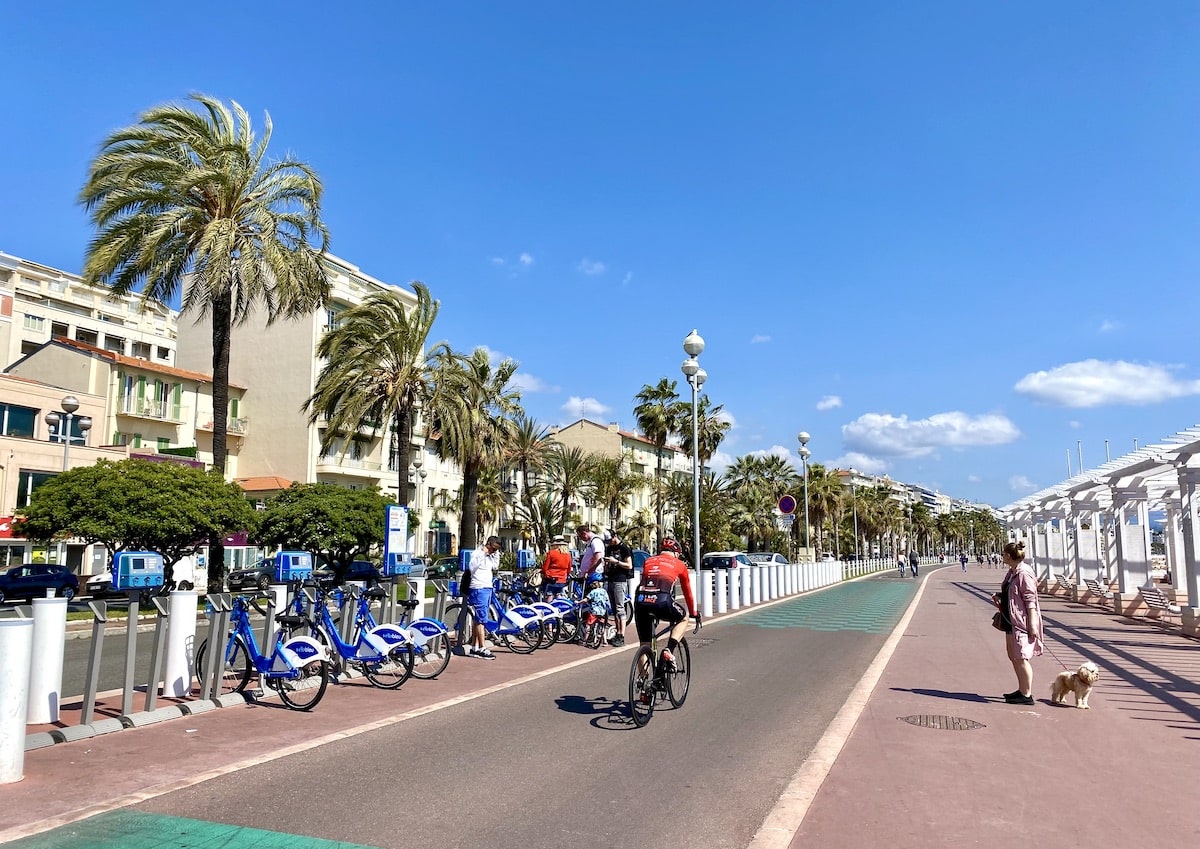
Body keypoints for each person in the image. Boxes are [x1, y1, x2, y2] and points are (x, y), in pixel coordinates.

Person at [633, 538, 699, 671]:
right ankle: (668, 650)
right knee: (683, 617)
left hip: (640, 602)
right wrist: (694, 613)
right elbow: (687, 593)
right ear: (676, 553)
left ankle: (643, 687)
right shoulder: (679, 564)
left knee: (644, 644)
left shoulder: (648, 561)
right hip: (661, 600)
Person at [992, 540, 1043, 705]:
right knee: (1013, 655)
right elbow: (1010, 592)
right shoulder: (1012, 571)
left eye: (1003, 554)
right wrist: (1000, 597)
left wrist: (1033, 624)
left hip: (1021, 620)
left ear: (1008, 555)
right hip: (1009, 619)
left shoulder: (1023, 573)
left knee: (1021, 656)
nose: (1002, 556)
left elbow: (1030, 600)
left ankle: (1027, 695)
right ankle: (1021, 689)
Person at [465, 535, 502, 660]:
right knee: (482, 620)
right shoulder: (477, 553)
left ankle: (474, 647)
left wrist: (495, 554)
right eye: (493, 549)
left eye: (495, 550)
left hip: (487, 588)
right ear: (488, 545)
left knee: (478, 619)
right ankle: (482, 647)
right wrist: (483, 553)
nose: (493, 551)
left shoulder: (490, 557)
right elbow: (472, 567)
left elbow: (495, 566)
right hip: (478, 588)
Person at [603, 529, 634, 646]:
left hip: (620, 580)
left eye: (610, 540)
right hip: (610, 579)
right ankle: (617, 632)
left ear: (614, 536)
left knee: (620, 608)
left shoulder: (624, 548)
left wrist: (616, 561)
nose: (609, 543)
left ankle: (622, 635)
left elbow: (629, 565)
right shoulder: (609, 548)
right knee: (614, 609)